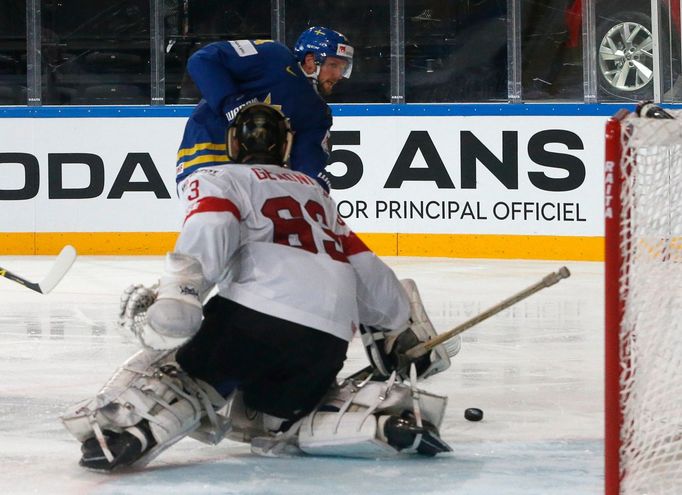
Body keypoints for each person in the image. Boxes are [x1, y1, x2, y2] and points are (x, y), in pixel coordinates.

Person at [61, 103, 456, 471]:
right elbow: (369, 273)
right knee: (277, 421)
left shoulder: (218, 177)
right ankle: (378, 422)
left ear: (232, 143)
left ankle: (132, 432)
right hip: (328, 340)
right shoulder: (315, 192)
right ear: (286, 144)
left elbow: (210, 231)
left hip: (254, 320)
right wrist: (398, 325)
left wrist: (178, 297)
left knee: (184, 378)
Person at [176, 26, 354, 191]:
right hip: (208, 152)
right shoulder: (273, 55)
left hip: (257, 173)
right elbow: (203, 60)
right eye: (334, 65)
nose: (339, 75)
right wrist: (234, 104)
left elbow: (307, 161)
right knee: (216, 218)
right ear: (310, 60)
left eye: (343, 68)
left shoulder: (317, 113)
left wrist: (316, 185)